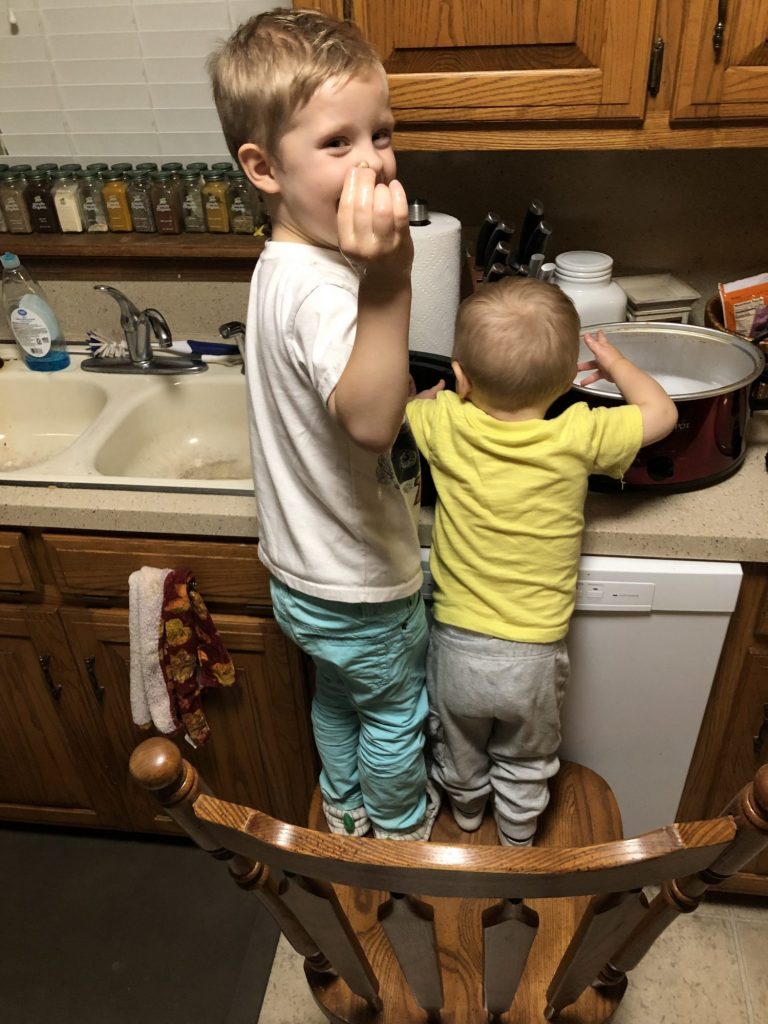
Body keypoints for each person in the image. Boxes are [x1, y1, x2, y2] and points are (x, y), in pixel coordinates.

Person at [207, 9, 440, 840]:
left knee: (340, 700)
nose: (372, 160)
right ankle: (399, 837)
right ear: (264, 167)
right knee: (394, 711)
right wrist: (393, 274)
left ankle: (345, 810)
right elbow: (370, 423)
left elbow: (338, 394)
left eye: (381, 133)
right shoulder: (331, 287)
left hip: (300, 575)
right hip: (358, 584)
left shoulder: (285, 263)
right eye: (338, 142)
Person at [407, 277, 678, 846]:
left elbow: (406, 409)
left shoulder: (445, 422)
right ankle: (518, 836)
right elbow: (661, 412)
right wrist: (614, 362)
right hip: (532, 654)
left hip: (457, 645)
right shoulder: (579, 433)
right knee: (527, 756)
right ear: (565, 384)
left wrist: (436, 398)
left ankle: (467, 812)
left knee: (456, 745)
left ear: (461, 376)